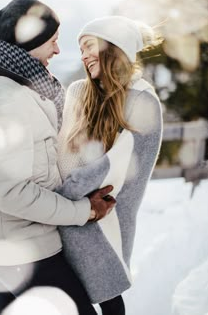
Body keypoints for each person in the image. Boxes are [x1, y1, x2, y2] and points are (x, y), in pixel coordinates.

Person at [0, 0, 116, 315]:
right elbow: (11, 194)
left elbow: (37, 170)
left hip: (16, 245)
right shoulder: (9, 99)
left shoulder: (21, 90)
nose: (56, 50)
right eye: (52, 41)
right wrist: (84, 211)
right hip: (23, 249)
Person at [56, 16, 163, 315]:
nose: (83, 55)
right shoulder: (79, 92)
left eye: (89, 45)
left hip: (110, 215)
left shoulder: (142, 100)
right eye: (80, 49)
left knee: (109, 299)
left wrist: (68, 192)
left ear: (115, 47)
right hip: (66, 212)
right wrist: (67, 195)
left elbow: (125, 164)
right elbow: (64, 157)